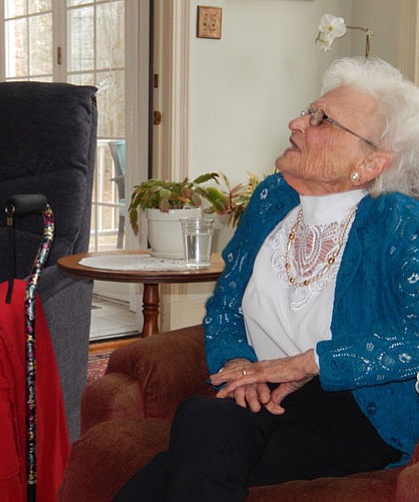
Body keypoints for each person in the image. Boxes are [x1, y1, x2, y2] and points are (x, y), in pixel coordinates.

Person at [115, 56, 419, 501]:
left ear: (371, 163)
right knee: (204, 425)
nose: (296, 122)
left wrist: (306, 363)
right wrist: (240, 365)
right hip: (268, 397)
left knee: (189, 451)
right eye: (307, 109)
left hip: (359, 412)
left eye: (322, 119)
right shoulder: (273, 197)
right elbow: (225, 305)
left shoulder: (399, 222)